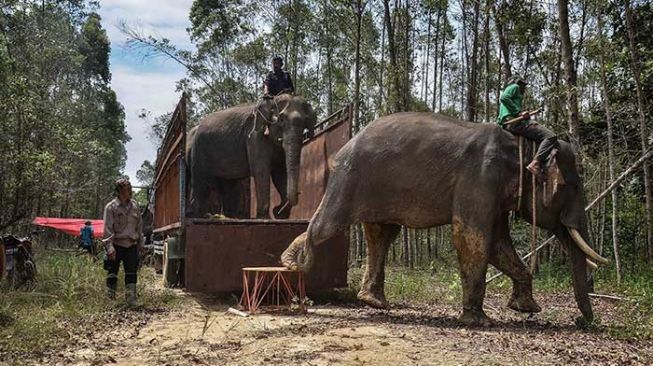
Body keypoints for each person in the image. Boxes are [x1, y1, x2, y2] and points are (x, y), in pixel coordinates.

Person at [497, 76, 559, 176]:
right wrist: (519, 113)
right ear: (518, 83)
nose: (524, 89)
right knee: (551, 136)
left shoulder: (512, 96)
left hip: (508, 123)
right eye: (524, 85)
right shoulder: (514, 87)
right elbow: (504, 97)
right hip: (514, 122)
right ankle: (536, 163)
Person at [102, 178, 144, 306]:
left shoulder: (135, 206)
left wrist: (140, 245)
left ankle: (131, 300)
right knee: (112, 273)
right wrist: (109, 247)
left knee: (131, 273)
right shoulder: (111, 207)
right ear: (119, 191)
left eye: (130, 188)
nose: (130, 191)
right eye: (127, 189)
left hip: (131, 245)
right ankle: (110, 300)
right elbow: (107, 228)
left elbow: (139, 227)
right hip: (116, 245)